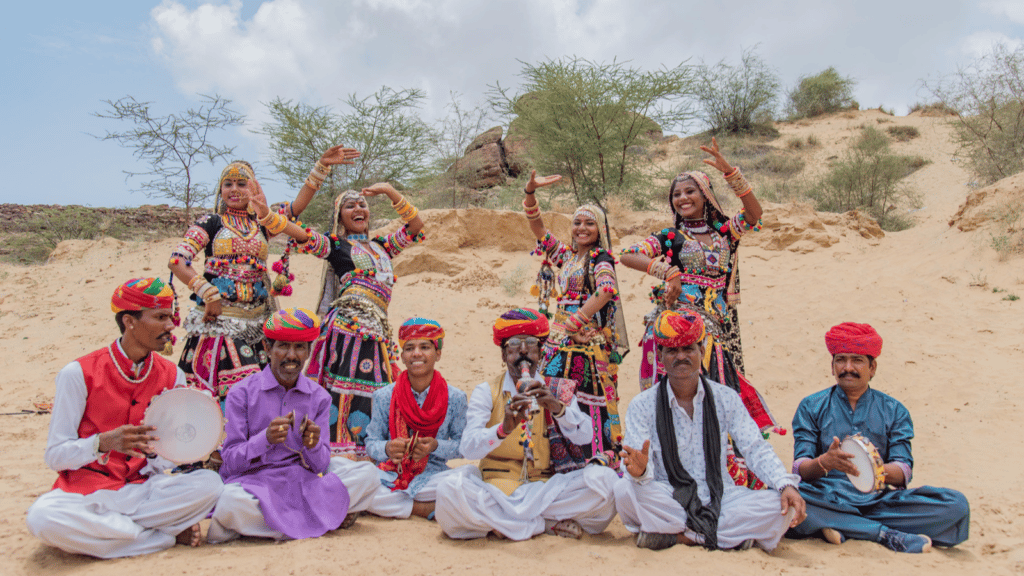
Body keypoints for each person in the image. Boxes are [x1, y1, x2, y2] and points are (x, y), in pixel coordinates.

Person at [619, 137, 781, 487]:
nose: (682, 199)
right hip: (677, 329)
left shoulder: (725, 233)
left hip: (714, 331)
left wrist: (729, 172)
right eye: (676, 194)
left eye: (689, 191)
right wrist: (666, 271)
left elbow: (755, 214)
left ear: (706, 194)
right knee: (675, 397)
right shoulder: (669, 236)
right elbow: (628, 255)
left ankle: (724, 471)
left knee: (718, 395)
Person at [25, 278, 223, 558]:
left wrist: (160, 452)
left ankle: (117, 535)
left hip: (143, 491)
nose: (170, 326)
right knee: (42, 517)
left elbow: (165, 458)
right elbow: (55, 456)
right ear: (129, 321)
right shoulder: (78, 373)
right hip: (87, 495)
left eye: (170, 317)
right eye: (161, 317)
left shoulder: (172, 375)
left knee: (210, 484)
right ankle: (158, 538)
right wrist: (102, 443)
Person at [614, 309, 805, 552]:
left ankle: (679, 536)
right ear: (660, 355)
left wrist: (783, 484)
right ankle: (725, 536)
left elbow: (755, 448)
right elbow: (634, 462)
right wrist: (640, 471)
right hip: (669, 495)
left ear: (702, 351)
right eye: (672, 350)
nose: (681, 356)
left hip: (721, 498)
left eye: (688, 349)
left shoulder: (726, 398)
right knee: (624, 490)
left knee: (777, 507)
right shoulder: (643, 404)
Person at [434, 308, 619, 541]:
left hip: (544, 489)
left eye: (531, 343)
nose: (523, 350)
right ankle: (546, 523)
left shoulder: (556, 389)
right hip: (495, 488)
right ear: (503, 355)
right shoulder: (487, 391)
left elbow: (585, 437)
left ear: (540, 352)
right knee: (449, 491)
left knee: (607, 482)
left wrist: (557, 408)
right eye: (513, 344)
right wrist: (503, 429)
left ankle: (504, 524)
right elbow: (468, 448)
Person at [787, 322, 970, 553]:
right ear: (832, 366)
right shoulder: (811, 406)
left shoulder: (894, 410)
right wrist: (824, 462)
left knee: (955, 506)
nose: (848, 367)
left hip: (878, 502)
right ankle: (884, 534)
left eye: (857, 360)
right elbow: (799, 468)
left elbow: (904, 470)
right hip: (825, 497)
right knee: (783, 497)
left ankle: (840, 525)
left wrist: (875, 470)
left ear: (872, 368)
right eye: (841, 360)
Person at [208, 308, 381, 543]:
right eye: (283, 346)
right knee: (230, 503)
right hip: (255, 484)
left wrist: (312, 445)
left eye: (300, 347)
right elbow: (230, 461)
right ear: (267, 348)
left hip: (301, 484)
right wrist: (264, 440)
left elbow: (320, 464)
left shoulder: (318, 397)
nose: (292, 355)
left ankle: (271, 526)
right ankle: (321, 518)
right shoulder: (241, 393)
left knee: (369, 475)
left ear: (309, 351)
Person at [293, 183, 424, 458]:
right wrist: (272, 216)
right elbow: (298, 234)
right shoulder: (335, 245)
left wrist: (390, 192)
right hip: (346, 326)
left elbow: (415, 225)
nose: (358, 208)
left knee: (375, 386)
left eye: (362, 204)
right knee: (342, 385)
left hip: (377, 330)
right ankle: (336, 448)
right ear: (339, 216)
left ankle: (368, 448)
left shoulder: (382, 246)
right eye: (349, 205)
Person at [169, 160, 311, 405]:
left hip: (258, 325)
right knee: (237, 395)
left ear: (253, 188)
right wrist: (207, 291)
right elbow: (178, 260)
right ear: (220, 190)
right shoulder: (211, 223)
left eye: (241, 184)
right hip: (221, 325)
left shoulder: (263, 224)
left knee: (262, 397)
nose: (234, 189)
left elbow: (296, 208)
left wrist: (320, 167)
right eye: (228, 184)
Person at [522, 170, 629, 469]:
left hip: (585, 345)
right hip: (558, 342)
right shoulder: (567, 258)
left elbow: (606, 290)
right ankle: (556, 458)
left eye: (590, 223)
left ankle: (592, 458)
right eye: (577, 223)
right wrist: (530, 193)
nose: (582, 228)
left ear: (600, 229)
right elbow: (538, 228)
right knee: (554, 394)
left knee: (585, 397)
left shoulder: (600, 258)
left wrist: (575, 321)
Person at [364, 318, 473, 520]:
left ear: (437, 354)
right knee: (357, 478)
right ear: (402, 356)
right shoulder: (384, 396)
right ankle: (421, 509)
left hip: (435, 478)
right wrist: (388, 448)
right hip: (391, 476)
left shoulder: (455, 398)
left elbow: (463, 445)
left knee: (469, 478)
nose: (416, 354)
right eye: (409, 348)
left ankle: (393, 506)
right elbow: (371, 443)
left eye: (425, 347)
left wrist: (435, 446)